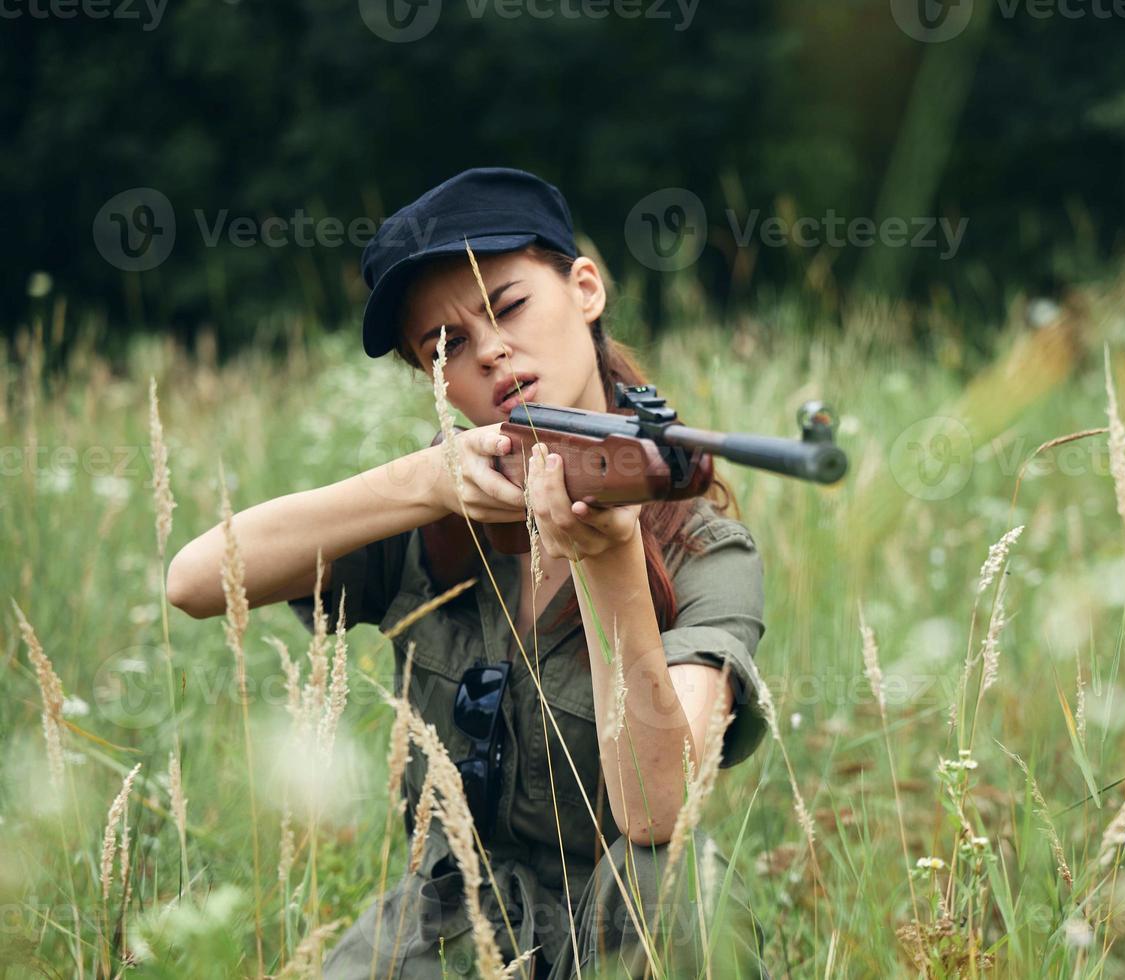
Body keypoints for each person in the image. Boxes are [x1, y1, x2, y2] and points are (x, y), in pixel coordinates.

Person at [166, 167, 772, 978]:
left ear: (584, 287)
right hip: (452, 922)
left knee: (674, 883)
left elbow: (656, 812)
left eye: (509, 307)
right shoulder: (432, 513)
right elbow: (196, 581)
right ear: (434, 382)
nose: (489, 350)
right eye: (443, 347)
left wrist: (614, 565)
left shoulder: (704, 550)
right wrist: (421, 482)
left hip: (622, 926)